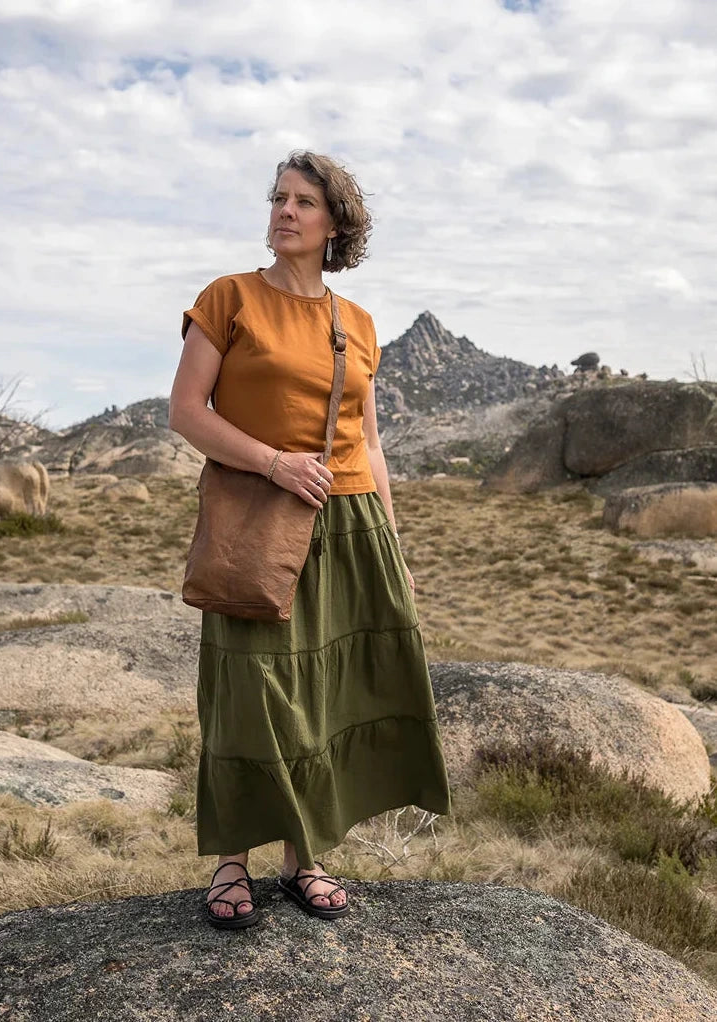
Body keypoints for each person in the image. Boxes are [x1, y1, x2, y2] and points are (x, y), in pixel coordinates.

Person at [169, 151, 450, 929]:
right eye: (278, 199)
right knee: (251, 692)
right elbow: (187, 412)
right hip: (260, 517)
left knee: (329, 695)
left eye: (303, 202)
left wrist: (392, 545)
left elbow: (370, 441)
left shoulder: (355, 323)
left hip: (351, 519)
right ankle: (233, 857)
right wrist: (274, 463)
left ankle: (305, 856)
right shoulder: (229, 299)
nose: (285, 212)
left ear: (335, 224)